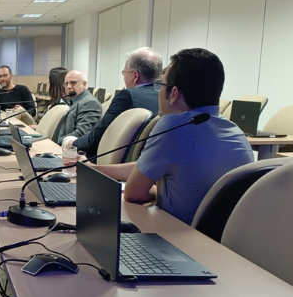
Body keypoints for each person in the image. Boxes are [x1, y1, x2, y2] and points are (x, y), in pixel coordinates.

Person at [92, 48, 253, 225]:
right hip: (219, 243)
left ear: (174, 93)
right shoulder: (235, 130)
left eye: (160, 85)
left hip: (179, 238)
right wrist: (97, 169)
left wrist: (157, 189)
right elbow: (146, 167)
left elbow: (133, 194)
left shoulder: (173, 126)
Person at [69, 47, 162, 158]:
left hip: (116, 164)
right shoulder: (170, 96)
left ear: (135, 75)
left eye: (124, 73)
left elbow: (100, 136)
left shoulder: (128, 96)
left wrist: (73, 143)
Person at [54, 70, 102, 146]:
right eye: (66, 84)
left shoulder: (90, 103)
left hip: (70, 150)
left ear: (84, 84)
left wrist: (57, 141)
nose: (69, 87)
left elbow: (82, 133)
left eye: (73, 83)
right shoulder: (73, 100)